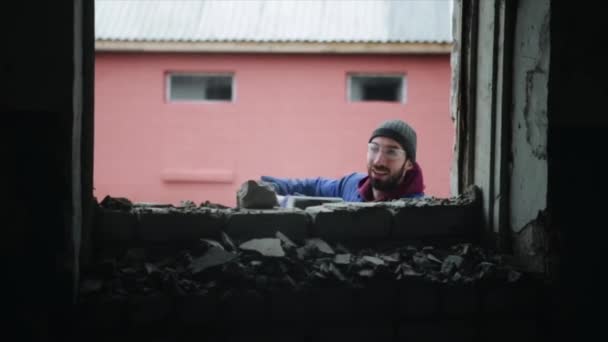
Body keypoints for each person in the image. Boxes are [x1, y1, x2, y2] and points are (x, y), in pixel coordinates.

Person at [261, 119, 424, 202]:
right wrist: (272, 187)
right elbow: (313, 186)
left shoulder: (415, 211)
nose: (379, 160)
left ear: (409, 163)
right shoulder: (352, 185)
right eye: (374, 148)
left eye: (391, 152)